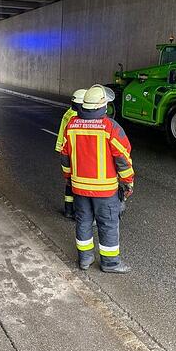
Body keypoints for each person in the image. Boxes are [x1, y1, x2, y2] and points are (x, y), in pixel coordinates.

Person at [60, 84, 134, 273]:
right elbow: (123, 158)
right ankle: (110, 263)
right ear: (102, 107)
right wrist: (127, 182)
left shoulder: (72, 125)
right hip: (105, 190)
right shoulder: (110, 127)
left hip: (78, 187)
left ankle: (85, 259)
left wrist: (68, 178)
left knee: (83, 221)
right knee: (108, 224)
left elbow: (65, 156)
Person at [55, 89, 87, 219]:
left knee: (69, 181)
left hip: (64, 151)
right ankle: (79, 212)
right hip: (73, 153)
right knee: (79, 183)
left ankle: (68, 209)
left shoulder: (69, 112)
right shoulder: (77, 117)